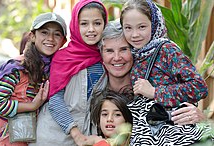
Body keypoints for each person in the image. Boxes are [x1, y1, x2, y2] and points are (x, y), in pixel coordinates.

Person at [120, 0, 210, 145]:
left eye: (142, 27)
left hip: (175, 133)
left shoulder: (167, 50)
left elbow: (199, 87)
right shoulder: (135, 54)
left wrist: (155, 92)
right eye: (128, 28)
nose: (135, 34)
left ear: (155, 23)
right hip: (148, 135)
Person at [28, 0, 108, 146]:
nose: (91, 29)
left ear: (105, 24)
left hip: (87, 136)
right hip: (54, 136)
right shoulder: (63, 57)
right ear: (75, 26)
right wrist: (75, 132)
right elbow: (55, 99)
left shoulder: (107, 56)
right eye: (84, 24)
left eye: (97, 23)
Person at [0, 12, 67, 146]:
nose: (50, 38)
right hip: (3, 140)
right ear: (33, 36)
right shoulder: (16, 68)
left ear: (63, 41)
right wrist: (32, 105)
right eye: (44, 32)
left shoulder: (54, 71)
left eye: (57, 34)